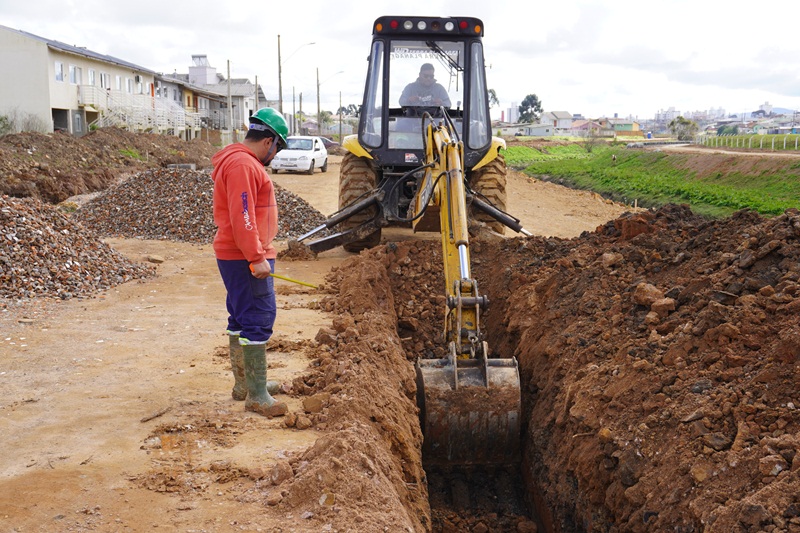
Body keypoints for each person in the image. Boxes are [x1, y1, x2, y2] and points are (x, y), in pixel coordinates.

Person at [211, 107, 289, 418]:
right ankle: (256, 395)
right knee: (258, 316)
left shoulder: (237, 161)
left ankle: (246, 385)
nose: (276, 154)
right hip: (244, 256)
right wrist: (256, 257)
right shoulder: (243, 164)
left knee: (241, 317)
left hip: (236, 254)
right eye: (278, 148)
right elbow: (242, 216)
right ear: (269, 140)